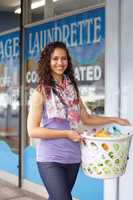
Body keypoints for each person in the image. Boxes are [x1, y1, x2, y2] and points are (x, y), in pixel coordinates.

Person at [27, 41, 130, 200]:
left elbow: (86, 118)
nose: (60, 63)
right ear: (47, 61)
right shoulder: (40, 92)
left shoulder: (71, 89)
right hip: (50, 159)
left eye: (64, 58)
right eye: (55, 59)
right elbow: (33, 130)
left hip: (73, 157)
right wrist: (66, 133)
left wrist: (115, 119)